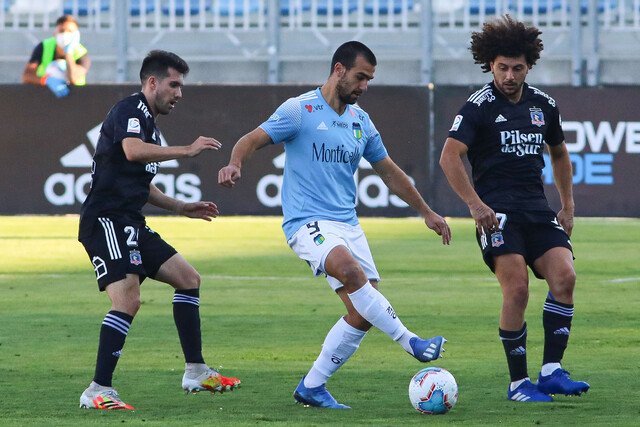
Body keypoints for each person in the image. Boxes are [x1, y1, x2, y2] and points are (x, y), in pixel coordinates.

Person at [218, 41, 451, 409]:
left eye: (370, 80)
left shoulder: (361, 121)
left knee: (362, 313)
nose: (364, 87)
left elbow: (388, 171)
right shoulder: (300, 110)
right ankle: (412, 342)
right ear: (339, 70)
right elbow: (251, 139)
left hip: (348, 225)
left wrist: (426, 210)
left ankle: (312, 386)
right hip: (306, 221)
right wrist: (235, 163)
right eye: (360, 77)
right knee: (350, 272)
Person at [78, 50, 240, 411]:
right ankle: (97, 390)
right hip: (106, 219)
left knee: (188, 278)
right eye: (174, 84)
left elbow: (142, 184)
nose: (179, 93)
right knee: (128, 300)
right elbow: (133, 152)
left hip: (130, 220)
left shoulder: (149, 122)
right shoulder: (129, 111)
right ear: (153, 82)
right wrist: (186, 150)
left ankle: (196, 370)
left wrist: (181, 207)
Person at [439, 15, 589, 402]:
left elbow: (559, 153)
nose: (509, 75)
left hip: (536, 209)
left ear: (529, 66)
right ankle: (519, 384)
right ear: (490, 64)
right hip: (498, 213)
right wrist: (475, 205)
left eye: (517, 68)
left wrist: (568, 205)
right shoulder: (478, 106)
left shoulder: (544, 105)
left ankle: (552, 372)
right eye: (502, 67)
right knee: (518, 288)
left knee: (565, 278)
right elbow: (449, 157)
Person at [22, 14, 90, 98]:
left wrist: (68, 53)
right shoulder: (44, 46)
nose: (65, 34)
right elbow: (27, 75)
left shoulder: (81, 52)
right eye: (62, 31)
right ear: (55, 33)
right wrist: (46, 80)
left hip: (75, 99)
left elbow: (73, 78)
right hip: (46, 97)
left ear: (76, 35)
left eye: (70, 31)